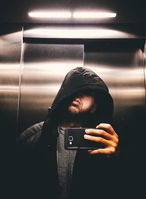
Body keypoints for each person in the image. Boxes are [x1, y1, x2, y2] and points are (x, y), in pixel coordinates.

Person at [16, 67, 120, 199]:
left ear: (94, 107)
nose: (78, 95)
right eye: (74, 89)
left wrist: (116, 159)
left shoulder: (102, 141)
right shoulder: (32, 136)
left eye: (87, 92)